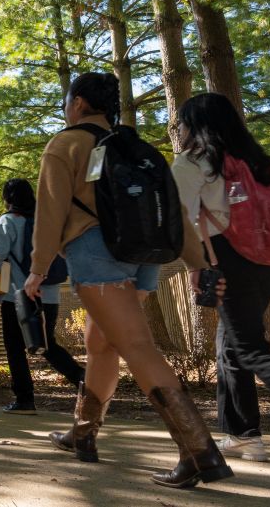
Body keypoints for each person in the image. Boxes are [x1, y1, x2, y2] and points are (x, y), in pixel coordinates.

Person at [25, 71, 232, 488]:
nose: (66, 107)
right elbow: (172, 213)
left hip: (97, 255)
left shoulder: (66, 143)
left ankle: (199, 452)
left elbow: (50, 211)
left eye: (67, 100)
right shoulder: (136, 147)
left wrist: (38, 267)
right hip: (144, 257)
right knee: (100, 344)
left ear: (80, 102)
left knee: (136, 346)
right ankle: (82, 434)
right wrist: (196, 263)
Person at [173, 92, 270, 463]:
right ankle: (244, 435)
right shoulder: (261, 163)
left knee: (250, 347)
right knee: (229, 344)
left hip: (227, 256)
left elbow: (181, 220)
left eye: (181, 123)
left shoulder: (194, 162)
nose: (180, 130)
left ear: (194, 126)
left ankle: (244, 433)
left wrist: (194, 266)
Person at [0, 179, 85, 414]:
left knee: (15, 347)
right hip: (49, 294)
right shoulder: (46, 221)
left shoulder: (7, 221)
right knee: (47, 344)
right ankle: (83, 379)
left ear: (7, 199)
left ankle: (25, 399)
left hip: (16, 297)